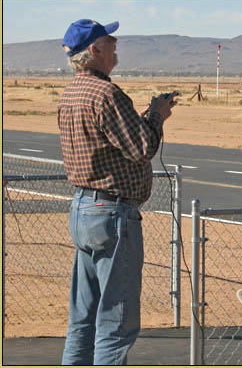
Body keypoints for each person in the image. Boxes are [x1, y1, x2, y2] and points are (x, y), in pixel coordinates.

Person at [58, 19, 178, 365]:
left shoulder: (72, 93)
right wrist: (156, 116)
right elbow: (142, 147)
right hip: (111, 214)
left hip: (84, 208)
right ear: (94, 50)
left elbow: (113, 143)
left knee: (84, 315)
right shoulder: (107, 94)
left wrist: (145, 116)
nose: (116, 47)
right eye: (110, 42)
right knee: (117, 320)